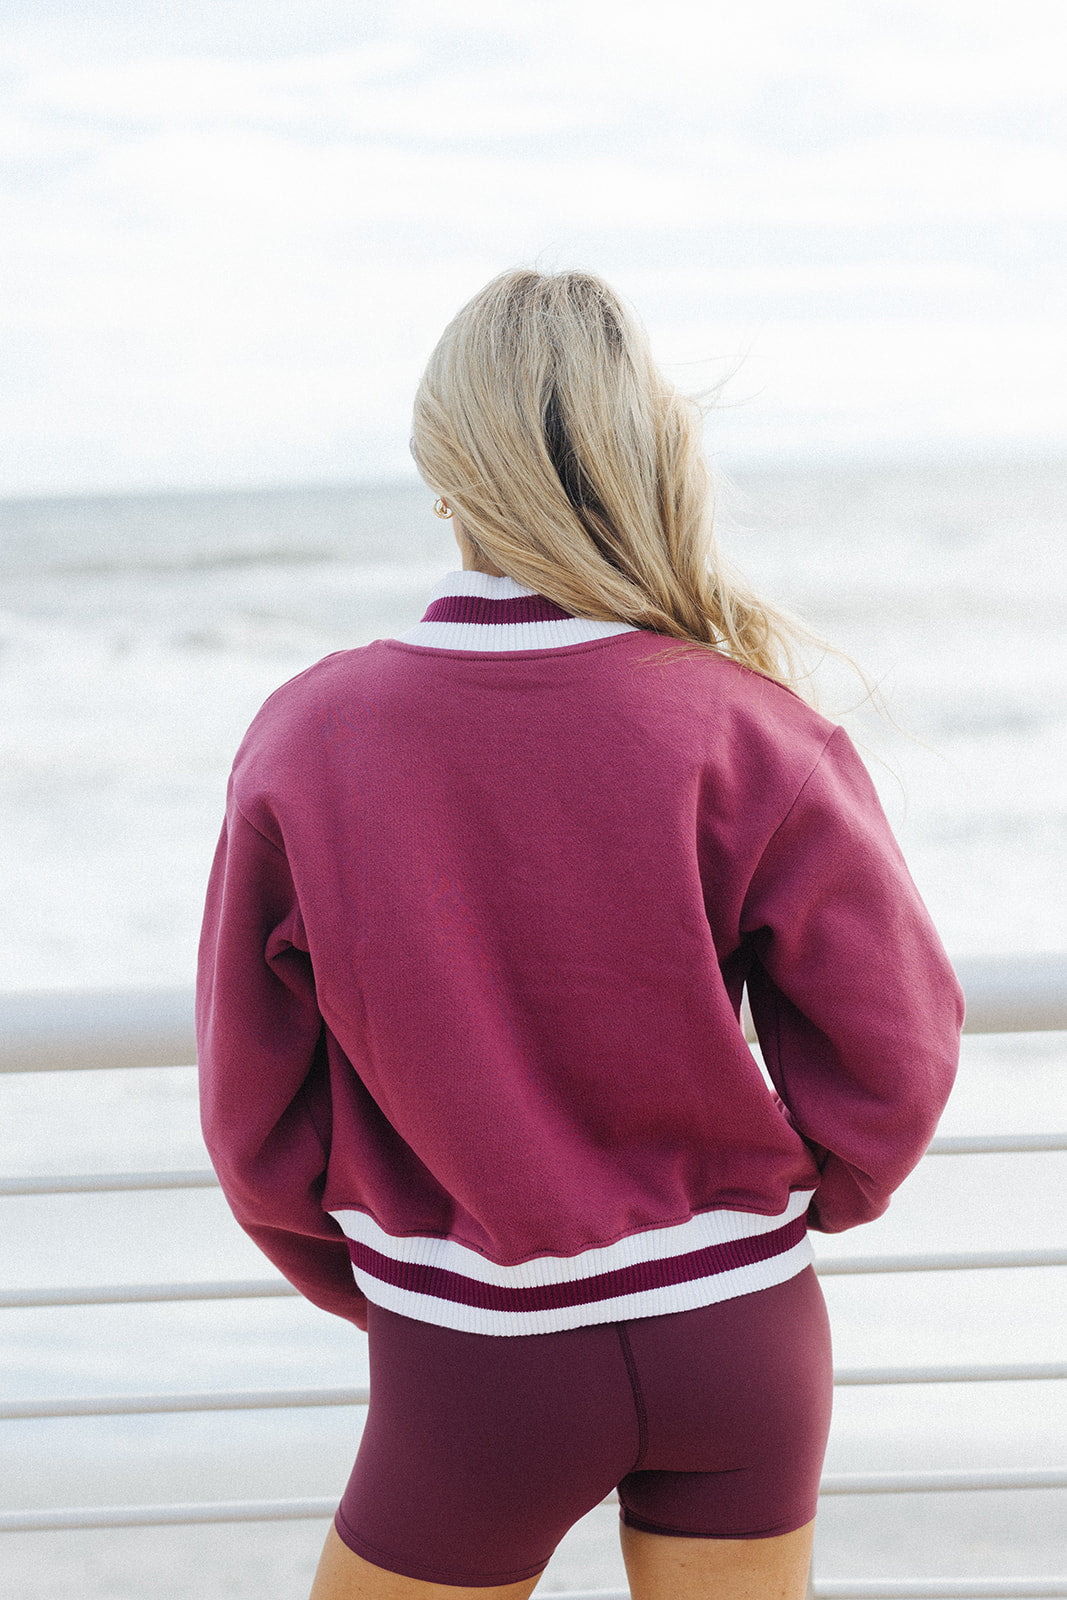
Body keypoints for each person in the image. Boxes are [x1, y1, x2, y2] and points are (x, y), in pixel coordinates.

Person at [196, 268, 964, 1600]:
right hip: (742, 1331)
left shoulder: (311, 739)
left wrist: (377, 1278)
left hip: (478, 1359)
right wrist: (790, 1204)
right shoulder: (746, 721)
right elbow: (898, 1043)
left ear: (444, 473)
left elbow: (251, 1111)